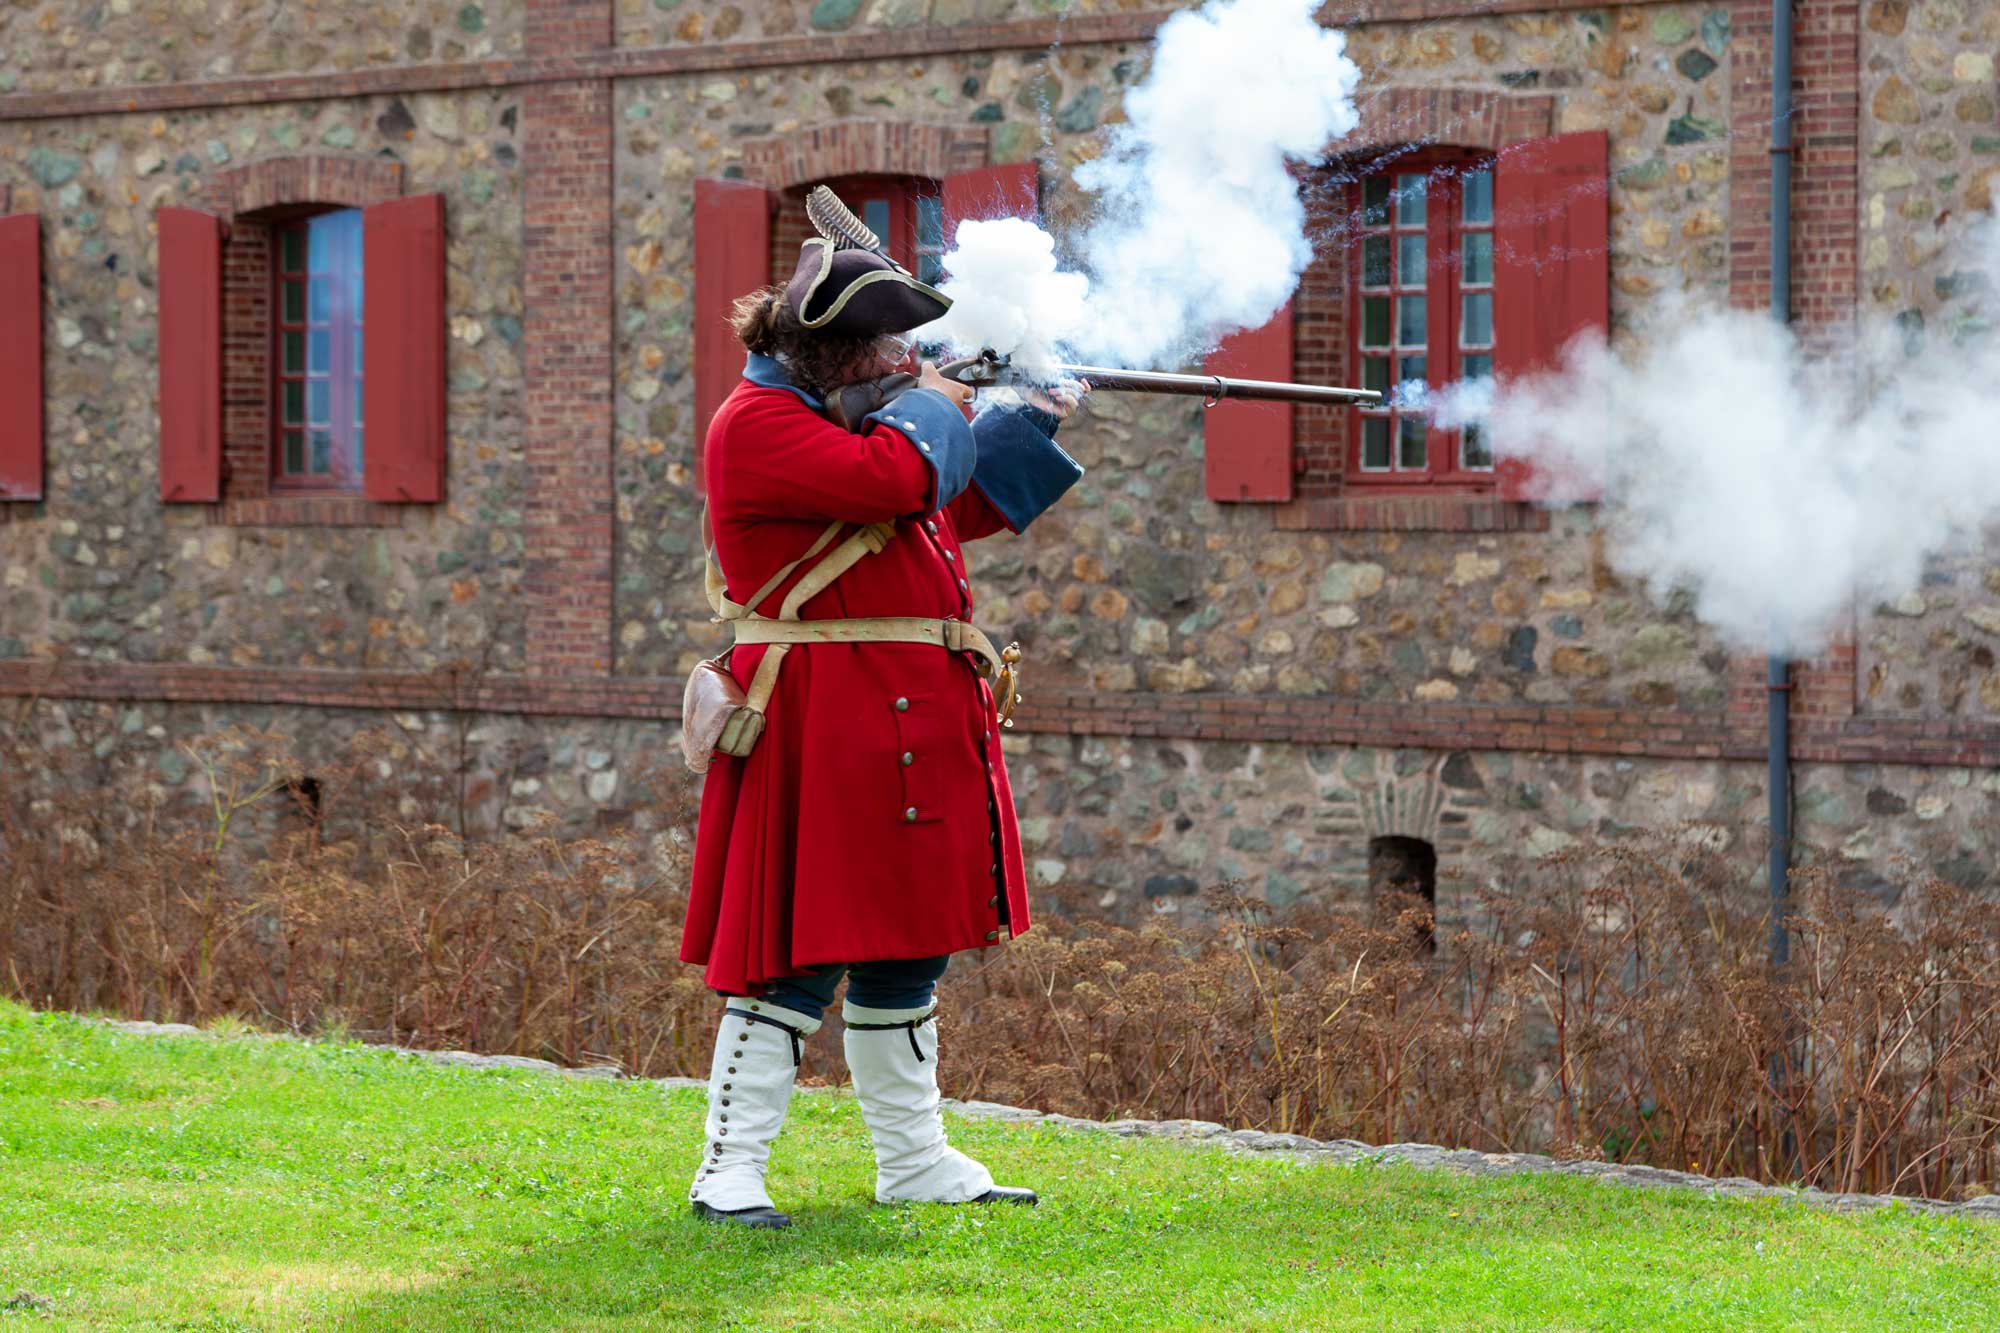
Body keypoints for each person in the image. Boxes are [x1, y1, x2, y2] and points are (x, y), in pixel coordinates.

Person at [680, 195, 1087, 1229]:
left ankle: (914, 1160)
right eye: (889, 349)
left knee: (909, 950)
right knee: (793, 955)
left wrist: (1027, 414)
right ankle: (729, 1169)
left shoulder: (856, 415)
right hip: (819, 720)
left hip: (910, 723)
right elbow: (899, 475)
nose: (902, 361)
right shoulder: (758, 424)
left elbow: (946, 505)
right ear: (830, 353)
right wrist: (941, 396)